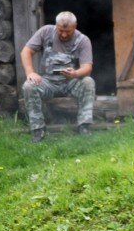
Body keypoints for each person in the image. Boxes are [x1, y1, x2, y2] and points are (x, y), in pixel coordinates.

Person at [20, 11, 95, 143]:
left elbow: (87, 67)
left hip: (71, 82)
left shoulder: (83, 40)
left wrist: (75, 73)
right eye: (60, 30)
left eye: (68, 31)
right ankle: (38, 130)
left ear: (75, 27)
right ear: (56, 25)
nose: (64, 34)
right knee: (28, 86)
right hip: (48, 83)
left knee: (88, 81)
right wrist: (30, 72)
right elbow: (26, 52)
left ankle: (84, 126)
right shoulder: (46, 32)